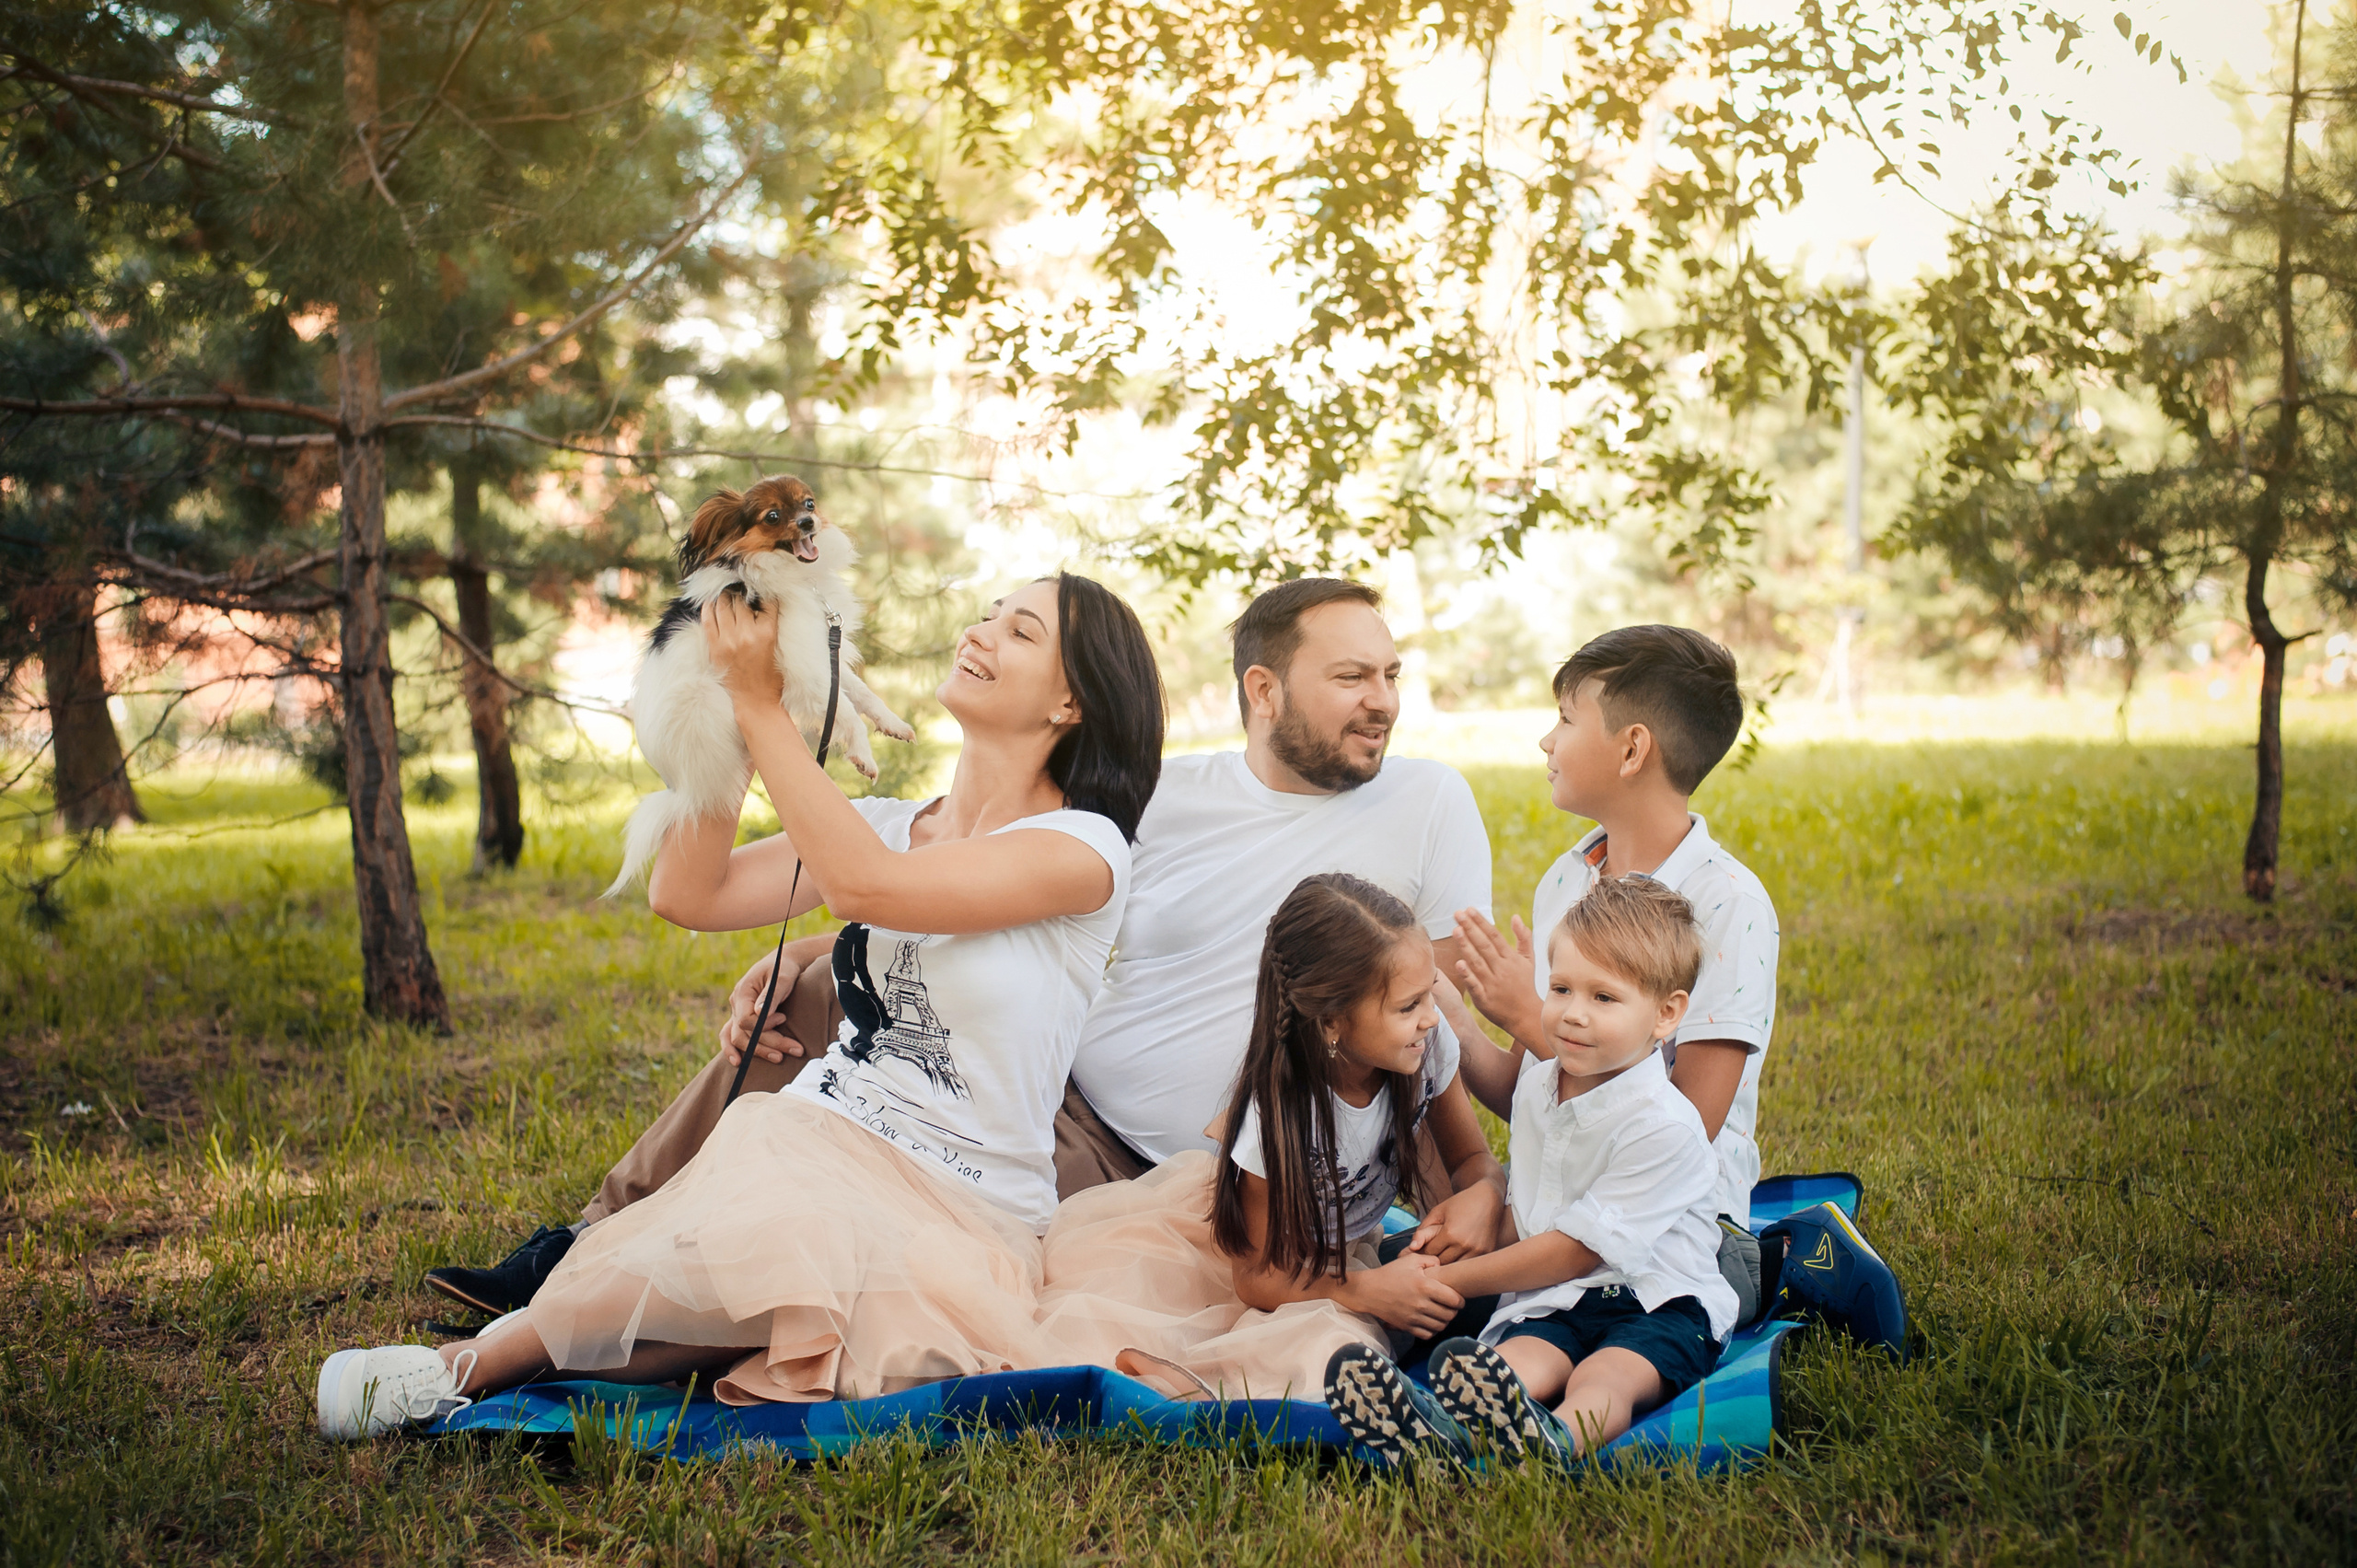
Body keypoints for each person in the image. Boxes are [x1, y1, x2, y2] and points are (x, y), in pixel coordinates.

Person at [424, 577, 1493, 1315]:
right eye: (1355, 676)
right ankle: (595, 1237)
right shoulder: (1164, 796)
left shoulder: (1429, 801)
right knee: (808, 1010)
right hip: (1060, 1095)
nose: (1384, 702)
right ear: (1264, 689)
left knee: (845, 1147)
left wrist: (1533, 1083)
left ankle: (656, 1272)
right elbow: (824, 883)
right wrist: (802, 950)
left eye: (1392, 676)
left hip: (1166, 1167)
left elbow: (1433, 1013)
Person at [315, 574, 1166, 1437]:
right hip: (820, 1132)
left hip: (964, 1199)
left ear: (1072, 700)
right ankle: (466, 1368)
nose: (979, 632)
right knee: (749, 1244)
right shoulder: (886, 820)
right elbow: (691, 891)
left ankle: (461, 1368)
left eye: (1019, 632)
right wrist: (721, 703)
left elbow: (867, 887)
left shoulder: (1084, 847)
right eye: (987, 614)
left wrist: (767, 709)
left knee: (785, 1255)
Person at [1443, 625, 1903, 1354]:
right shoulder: (1565, 882)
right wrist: (1455, 1022)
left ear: (1631, 749)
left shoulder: (1728, 904)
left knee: (1616, 1310)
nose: (1545, 742)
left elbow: (1689, 1119)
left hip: (1670, 1219)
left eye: (1564, 720)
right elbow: (1541, 1097)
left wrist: (1531, 1018)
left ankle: (1779, 1261)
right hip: (1556, 1201)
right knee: (1423, 1289)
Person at [1033, 874, 1506, 1399]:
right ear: (1331, 1022)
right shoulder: (1279, 1113)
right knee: (1328, 1352)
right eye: (1408, 1006)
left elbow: (1472, 1159)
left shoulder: (1427, 1048)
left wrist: (1483, 1194)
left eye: (1429, 994)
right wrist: (1368, 1290)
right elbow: (1256, 1278)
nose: (1431, 1018)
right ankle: (1195, 1376)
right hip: (1267, 1267)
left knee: (1515, 1246)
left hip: (1345, 1250)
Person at [1324, 877, 1736, 1466]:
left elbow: (1576, 1250)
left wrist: (1448, 1282)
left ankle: (1556, 1443)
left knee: (1606, 1374)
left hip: (1658, 1298)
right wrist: (1442, 1250)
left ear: (1666, 1014)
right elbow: (1535, 1210)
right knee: (1517, 1358)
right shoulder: (1540, 1086)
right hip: (1555, 1298)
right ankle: (1437, 1428)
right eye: (1562, 988)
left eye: (1604, 998)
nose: (1572, 1014)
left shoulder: (1663, 1124)